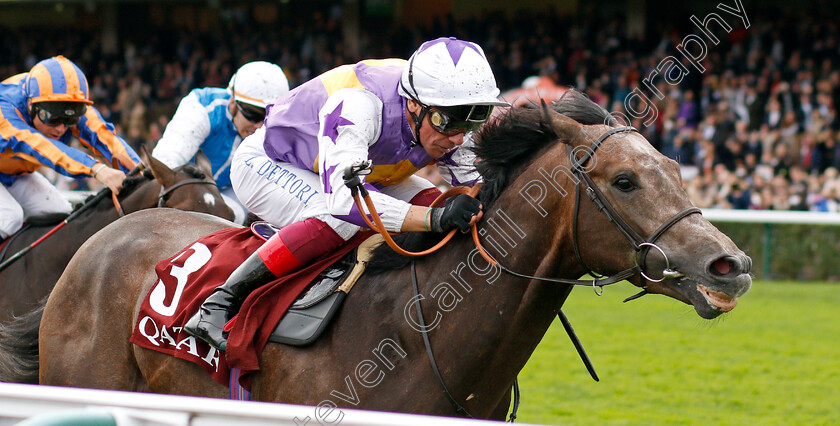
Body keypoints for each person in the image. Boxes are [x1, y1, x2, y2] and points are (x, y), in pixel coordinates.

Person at [185, 37, 509, 350]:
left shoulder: (444, 117)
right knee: (339, 219)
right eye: (446, 122)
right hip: (269, 161)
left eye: (471, 122)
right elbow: (344, 202)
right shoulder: (360, 102)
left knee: (437, 199)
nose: (457, 138)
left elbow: (475, 189)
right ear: (414, 104)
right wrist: (432, 219)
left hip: (365, 166)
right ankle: (220, 302)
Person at [0, 55, 140, 240]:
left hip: (12, 172)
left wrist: (138, 170)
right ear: (30, 105)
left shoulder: (67, 101)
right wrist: (96, 169)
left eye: (69, 120)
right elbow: (42, 146)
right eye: (52, 118)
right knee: (10, 217)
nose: (60, 128)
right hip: (12, 168)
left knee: (60, 214)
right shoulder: (5, 110)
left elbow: (105, 136)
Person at [151, 61, 290, 224]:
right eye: (253, 114)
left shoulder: (280, 129)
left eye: (269, 118)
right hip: (186, 189)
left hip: (231, 196)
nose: (260, 126)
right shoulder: (202, 106)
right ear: (232, 102)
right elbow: (165, 161)